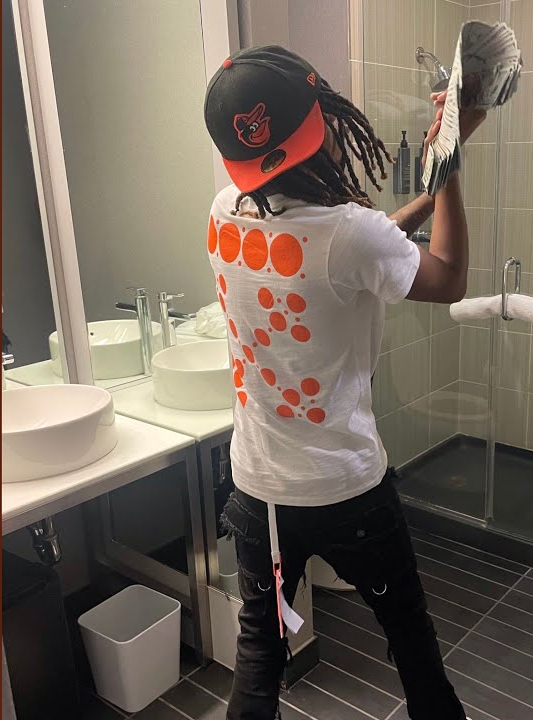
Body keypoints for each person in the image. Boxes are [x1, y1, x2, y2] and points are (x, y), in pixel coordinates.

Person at [202, 45, 488, 720]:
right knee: (412, 646)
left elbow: (348, 252)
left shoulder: (225, 212)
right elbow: (447, 275)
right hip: (346, 491)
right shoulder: (348, 234)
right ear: (323, 122)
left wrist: (436, 170)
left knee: (259, 653)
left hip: (260, 493)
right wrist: (448, 170)